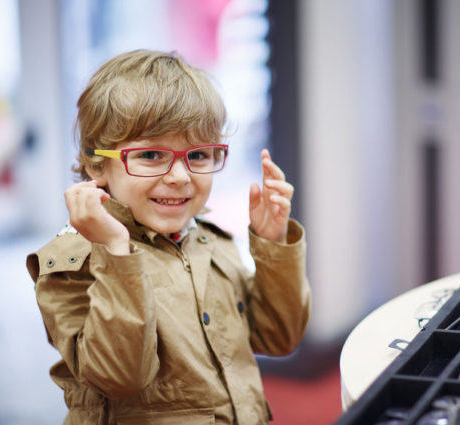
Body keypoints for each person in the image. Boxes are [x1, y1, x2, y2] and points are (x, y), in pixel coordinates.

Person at [26, 49, 310, 425]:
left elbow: (279, 338)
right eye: (152, 154)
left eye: (199, 156)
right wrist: (116, 253)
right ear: (98, 164)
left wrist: (272, 244)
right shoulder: (72, 261)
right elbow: (119, 377)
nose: (180, 176)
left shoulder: (211, 242)